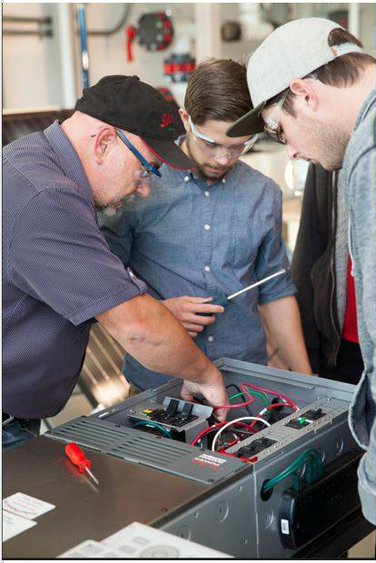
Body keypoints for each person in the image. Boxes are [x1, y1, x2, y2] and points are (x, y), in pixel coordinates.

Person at [3, 75, 229, 449]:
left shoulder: (34, 162)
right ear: (105, 141)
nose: (142, 188)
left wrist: (152, 310)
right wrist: (204, 375)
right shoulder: (46, 197)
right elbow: (136, 327)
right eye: (146, 169)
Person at [227, 17, 376, 525]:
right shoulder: (369, 137)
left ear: (304, 94)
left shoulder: (369, 154)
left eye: (278, 129)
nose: (289, 149)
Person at [101, 60, 311, 392]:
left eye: (239, 146)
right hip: (159, 383)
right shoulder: (140, 188)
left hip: (245, 382)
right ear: (186, 119)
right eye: (211, 144)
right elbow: (102, 280)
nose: (223, 159)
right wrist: (155, 311)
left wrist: (305, 381)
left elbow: (276, 291)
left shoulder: (264, 194)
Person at [290, 164, 364, 384]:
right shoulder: (327, 157)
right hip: (339, 346)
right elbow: (309, 247)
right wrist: (308, 357)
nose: (293, 154)